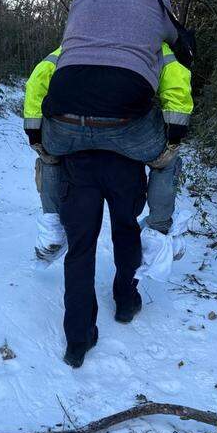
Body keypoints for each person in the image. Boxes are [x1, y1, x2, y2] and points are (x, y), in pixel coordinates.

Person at [23, 0, 193, 265]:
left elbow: (38, 78)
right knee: (166, 164)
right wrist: (173, 137)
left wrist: (36, 135)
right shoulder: (156, 32)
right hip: (126, 125)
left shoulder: (72, 44)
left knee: (49, 156)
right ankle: (157, 234)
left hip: (64, 122)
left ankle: (51, 228)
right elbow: (177, 80)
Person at [55, 149, 149, 367]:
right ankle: (126, 302)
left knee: (80, 249)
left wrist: (41, 140)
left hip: (78, 154)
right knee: (127, 233)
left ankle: (78, 340)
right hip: (127, 155)